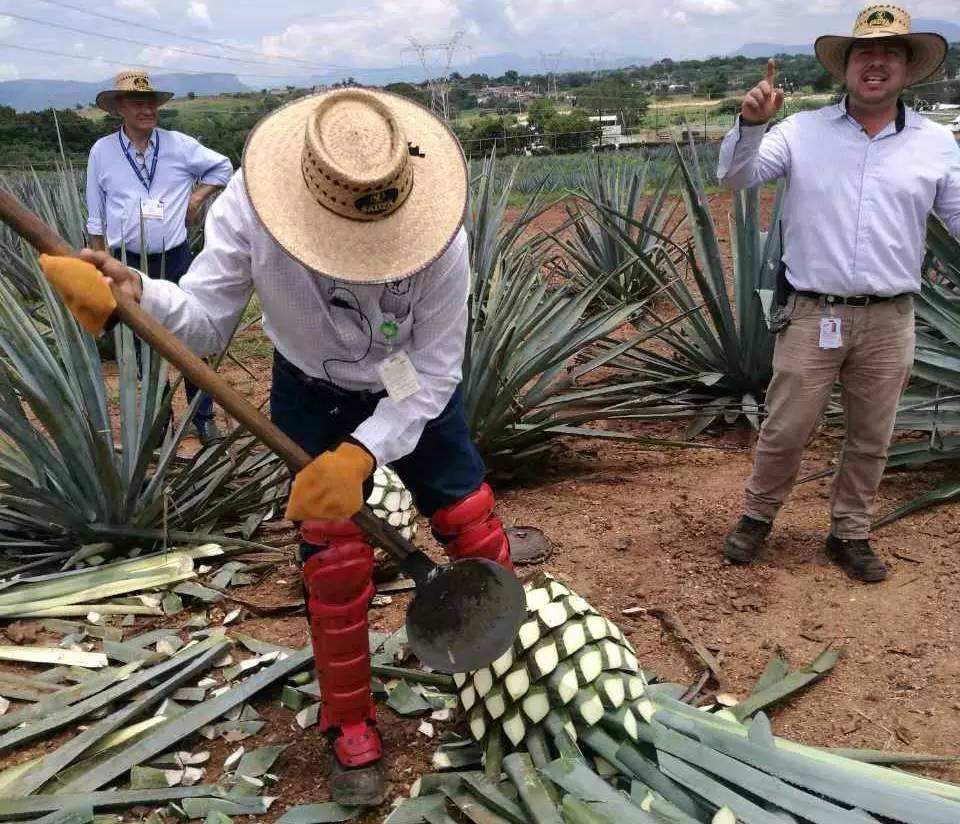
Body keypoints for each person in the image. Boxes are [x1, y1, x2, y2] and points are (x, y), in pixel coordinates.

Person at [44, 87, 515, 807]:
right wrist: (137, 293)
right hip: (311, 390)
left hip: (409, 387)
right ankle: (349, 721)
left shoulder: (439, 240)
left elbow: (436, 370)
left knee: (470, 522)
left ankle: (503, 679)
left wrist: (364, 454)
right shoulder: (250, 206)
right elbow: (202, 320)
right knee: (333, 554)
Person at [719, 5, 960, 582]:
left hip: (891, 318)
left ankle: (849, 532)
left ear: (907, 68)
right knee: (786, 426)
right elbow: (735, 177)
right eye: (863, 53)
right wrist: (749, 125)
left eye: (891, 53)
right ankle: (757, 516)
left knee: (872, 435)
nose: (876, 62)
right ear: (846, 67)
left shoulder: (937, 142)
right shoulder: (800, 132)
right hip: (811, 313)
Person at [85, 70, 232, 443]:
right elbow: (95, 214)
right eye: (137, 101)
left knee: (194, 339)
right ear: (119, 107)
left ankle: (202, 417)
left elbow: (223, 167)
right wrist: (100, 263)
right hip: (125, 263)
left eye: (150, 101)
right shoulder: (102, 151)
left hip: (177, 257)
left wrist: (197, 199)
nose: (146, 108)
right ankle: (161, 419)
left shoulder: (179, 145)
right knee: (142, 345)